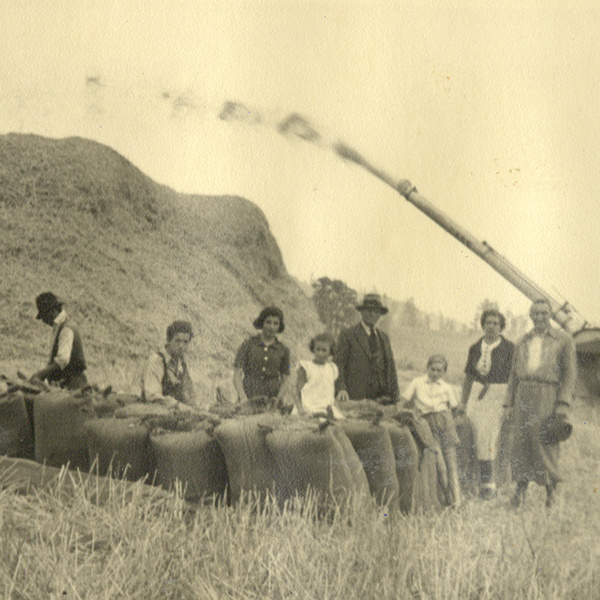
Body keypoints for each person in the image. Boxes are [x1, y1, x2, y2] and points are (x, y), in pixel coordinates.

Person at [506, 299, 577, 508]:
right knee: (521, 444)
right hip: (522, 395)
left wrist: (563, 403)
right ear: (530, 316)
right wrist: (509, 403)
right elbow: (513, 375)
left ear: (551, 316)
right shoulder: (522, 340)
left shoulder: (563, 340)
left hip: (548, 394)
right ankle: (519, 494)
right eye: (535, 314)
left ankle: (551, 496)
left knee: (545, 442)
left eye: (544, 314)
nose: (539, 318)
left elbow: (570, 374)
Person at [460, 309, 515, 499]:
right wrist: (463, 401)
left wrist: (509, 402)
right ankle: (472, 480)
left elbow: (513, 378)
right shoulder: (475, 347)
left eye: (496, 323)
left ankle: (489, 483)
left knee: (488, 437)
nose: (491, 326)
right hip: (476, 393)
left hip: (497, 394)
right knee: (472, 433)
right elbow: (468, 377)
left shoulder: (509, 348)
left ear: (501, 327)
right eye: (488, 323)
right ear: (483, 325)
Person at [402, 354, 461, 508]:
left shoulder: (446, 387)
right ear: (427, 368)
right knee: (440, 464)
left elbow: (454, 408)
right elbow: (404, 399)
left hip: (445, 422)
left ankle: (457, 501)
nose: (435, 373)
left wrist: (449, 420)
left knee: (451, 463)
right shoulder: (417, 382)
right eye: (433, 369)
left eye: (439, 371)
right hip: (426, 424)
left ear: (444, 372)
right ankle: (447, 499)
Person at [334, 293, 399, 404]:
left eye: (376, 311)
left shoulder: (384, 337)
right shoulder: (348, 334)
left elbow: (391, 368)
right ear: (362, 312)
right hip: (355, 395)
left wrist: (394, 395)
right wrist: (341, 388)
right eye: (369, 311)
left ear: (380, 315)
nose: (372, 314)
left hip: (381, 397)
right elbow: (338, 364)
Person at [233, 306, 291, 405]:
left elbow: (285, 380)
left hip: (271, 399)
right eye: (268, 322)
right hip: (249, 395)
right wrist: (242, 397)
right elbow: (237, 374)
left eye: (276, 323)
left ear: (279, 326)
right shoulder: (248, 344)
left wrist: (277, 399)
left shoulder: (283, 350)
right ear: (262, 323)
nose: (271, 327)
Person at [30, 292, 87, 390]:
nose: (43, 321)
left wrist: (40, 374)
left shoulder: (66, 329)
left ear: (52, 311)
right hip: (65, 383)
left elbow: (62, 360)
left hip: (73, 385)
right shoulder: (60, 327)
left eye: (44, 316)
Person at [141, 320, 196, 407]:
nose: (181, 346)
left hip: (174, 412)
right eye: (177, 341)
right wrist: (177, 405)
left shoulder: (181, 364)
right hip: (154, 411)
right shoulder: (156, 361)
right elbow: (152, 396)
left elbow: (190, 394)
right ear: (169, 340)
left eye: (185, 342)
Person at [294, 333, 344, 419]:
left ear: (330, 351)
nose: (320, 353)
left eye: (324, 350)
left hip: (327, 408)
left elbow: (330, 394)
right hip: (308, 407)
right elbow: (297, 393)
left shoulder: (332, 368)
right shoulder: (306, 367)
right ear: (313, 349)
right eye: (318, 349)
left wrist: (338, 410)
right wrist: (301, 410)